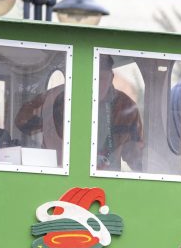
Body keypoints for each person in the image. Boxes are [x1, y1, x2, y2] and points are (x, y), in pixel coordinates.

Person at [15, 54, 144, 170]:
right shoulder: (57, 97)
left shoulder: (126, 107)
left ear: (111, 78)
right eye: (90, 78)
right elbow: (22, 122)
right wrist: (50, 115)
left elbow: (137, 158)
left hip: (107, 182)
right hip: (58, 173)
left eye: (101, 79)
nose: (95, 85)